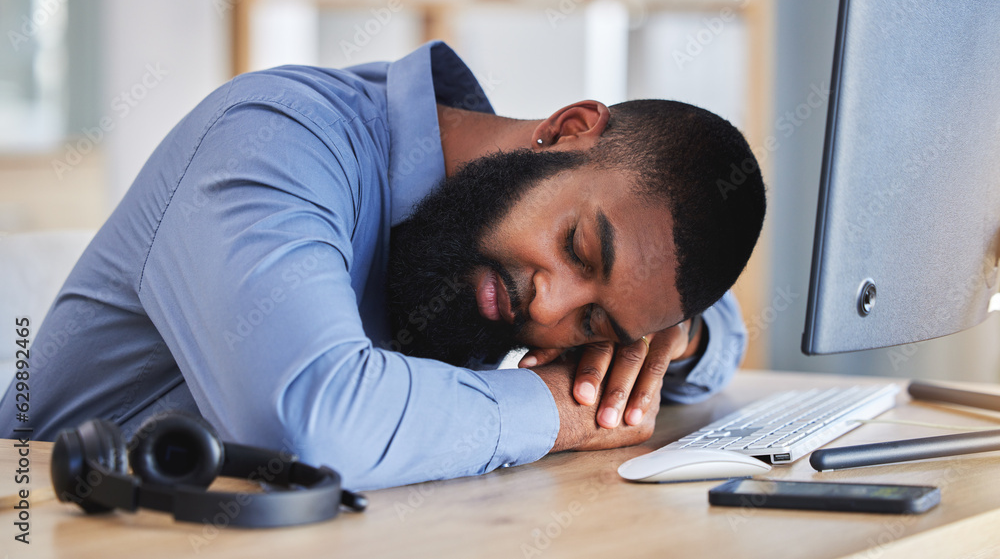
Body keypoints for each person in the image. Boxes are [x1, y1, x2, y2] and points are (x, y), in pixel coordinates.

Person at [1, 41, 764, 490]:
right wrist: (552, 410)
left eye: (592, 321)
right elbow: (309, 424)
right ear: (566, 130)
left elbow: (712, 331)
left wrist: (674, 338)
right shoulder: (279, 138)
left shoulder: (495, 245)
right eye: (576, 247)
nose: (549, 301)